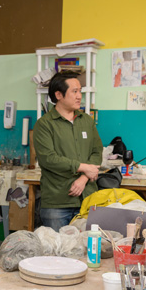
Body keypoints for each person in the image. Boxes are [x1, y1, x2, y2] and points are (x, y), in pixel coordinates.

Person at [32, 71, 103, 231]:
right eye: (74, 91)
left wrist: (83, 178)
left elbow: (97, 152)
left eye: (80, 91)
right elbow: (48, 159)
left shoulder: (86, 120)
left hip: (88, 200)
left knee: (87, 251)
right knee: (58, 253)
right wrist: (84, 167)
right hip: (58, 203)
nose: (79, 96)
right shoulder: (44, 125)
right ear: (58, 94)